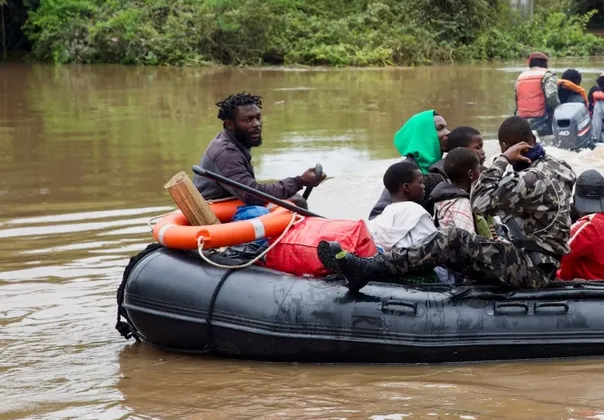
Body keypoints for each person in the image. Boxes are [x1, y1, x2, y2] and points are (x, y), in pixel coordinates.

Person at [319, 117, 576, 292]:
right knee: (456, 242)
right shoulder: (557, 167)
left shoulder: (532, 178)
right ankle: (374, 267)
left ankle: (369, 268)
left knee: (451, 238)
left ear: (507, 146)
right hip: (539, 261)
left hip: (532, 269)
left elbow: (480, 201)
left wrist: (503, 159)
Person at [195, 93, 325, 216]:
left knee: (294, 199)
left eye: (258, 117)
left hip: (229, 203)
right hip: (214, 216)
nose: (257, 124)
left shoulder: (231, 141)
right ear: (230, 124)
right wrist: (299, 181)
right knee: (296, 201)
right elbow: (252, 194)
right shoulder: (226, 154)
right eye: (247, 120)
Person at [368, 110, 452, 219]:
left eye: (446, 127)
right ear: (423, 135)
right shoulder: (405, 170)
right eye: (440, 128)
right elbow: (377, 215)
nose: (448, 132)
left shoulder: (444, 166)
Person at [557, 169, 604, 280]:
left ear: (575, 199)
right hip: (601, 283)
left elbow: (555, 252)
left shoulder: (589, 225)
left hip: (590, 286)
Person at [366, 161, 438, 251]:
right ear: (406, 187)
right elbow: (434, 249)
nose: (423, 186)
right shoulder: (417, 213)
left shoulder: (378, 221)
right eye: (420, 182)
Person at [431, 147, 492, 236]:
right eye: (478, 169)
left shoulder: (442, 197)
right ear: (471, 174)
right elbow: (469, 240)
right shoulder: (462, 203)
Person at [515, 51, 560, 136]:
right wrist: (560, 111)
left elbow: (517, 100)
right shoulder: (548, 75)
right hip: (542, 121)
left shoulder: (520, 77)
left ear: (530, 64)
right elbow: (552, 97)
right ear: (544, 63)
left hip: (521, 122)